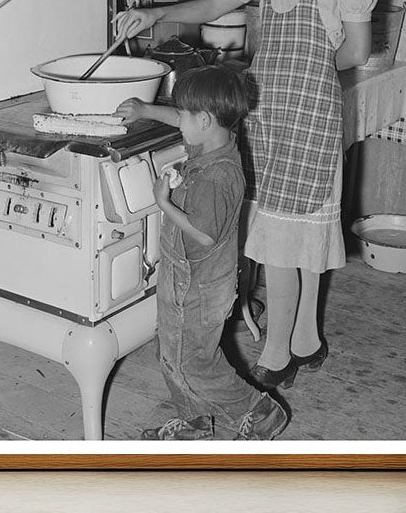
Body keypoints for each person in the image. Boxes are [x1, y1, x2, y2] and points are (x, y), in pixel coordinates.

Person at [114, 0, 380, 391]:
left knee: (286, 236)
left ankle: (278, 354)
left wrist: (299, 69)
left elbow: (354, 52)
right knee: (286, 232)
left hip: (308, 110)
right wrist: (150, 16)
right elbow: (216, 5)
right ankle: (306, 340)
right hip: (267, 106)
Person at [117, 66, 288, 441]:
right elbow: (187, 117)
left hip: (197, 287)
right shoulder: (215, 143)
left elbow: (206, 234)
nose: (179, 123)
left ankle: (258, 411)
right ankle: (193, 422)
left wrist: (165, 202)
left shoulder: (217, 176)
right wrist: (146, 110)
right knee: (173, 352)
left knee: (194, 361)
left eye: (183, 117)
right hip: (187, 278)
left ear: (206, 120)